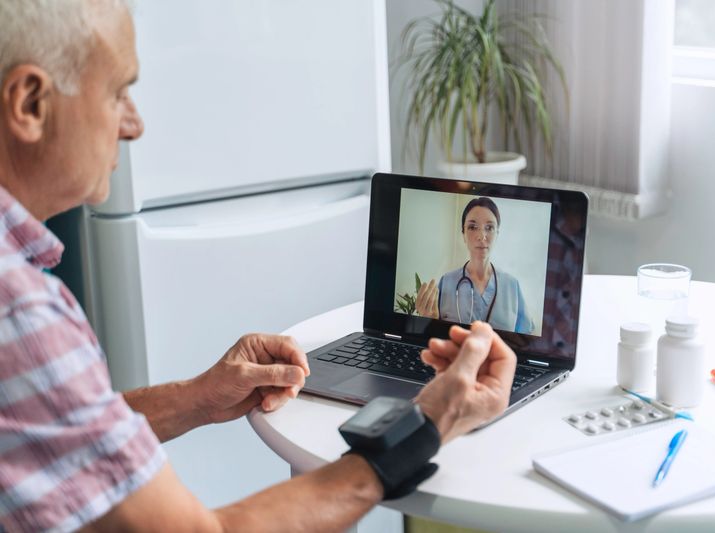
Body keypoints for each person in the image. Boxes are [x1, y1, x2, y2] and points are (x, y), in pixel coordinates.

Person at [0, 1, 516, 531]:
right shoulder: (21, 312)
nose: (134, 125)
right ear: (30, 103)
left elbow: (60, 435)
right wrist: (426, 425)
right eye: (117, 93)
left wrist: (194, 398)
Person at [416, 197, 535, 334]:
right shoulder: (446, 282)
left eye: (489, 228)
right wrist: (430, 322)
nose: (481, 236)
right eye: (472, 227)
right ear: (463, 234)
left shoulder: (512, 286)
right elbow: (435, 338)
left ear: (497, 234)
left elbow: (524, 339)